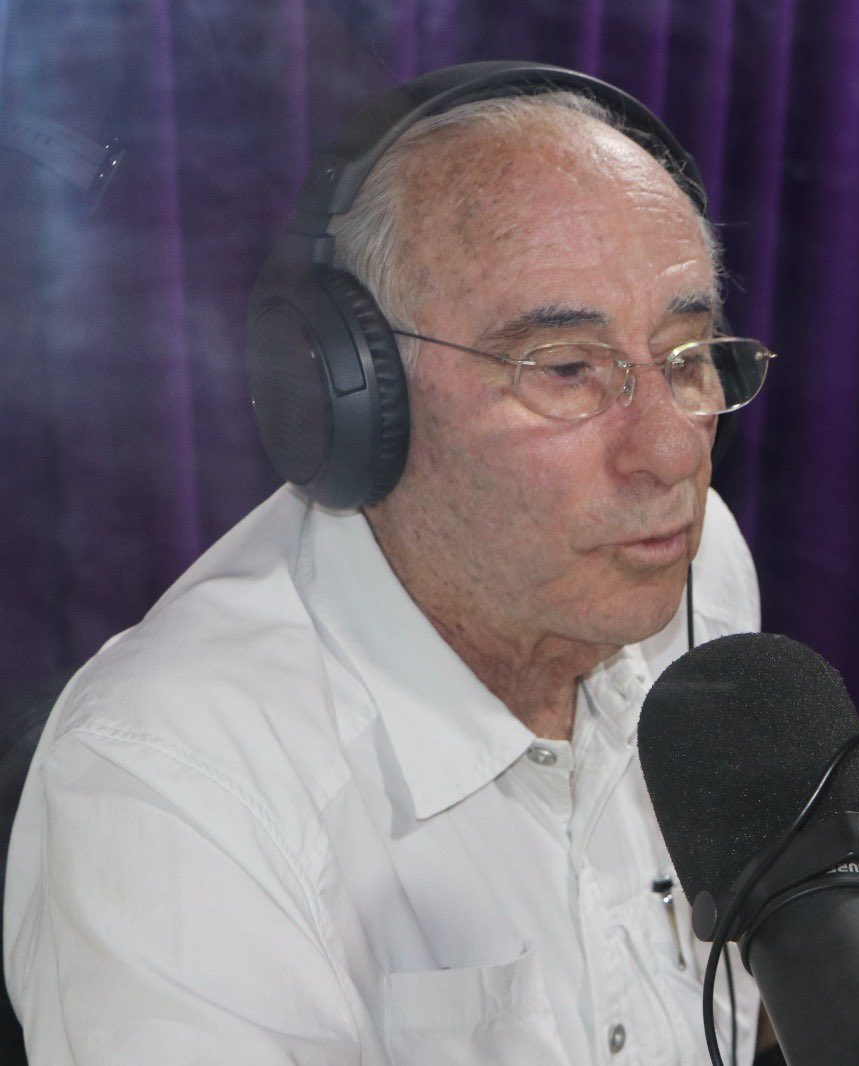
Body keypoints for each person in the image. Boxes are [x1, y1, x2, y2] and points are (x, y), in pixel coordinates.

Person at [3, 65, 775, 1065]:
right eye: (568, 371)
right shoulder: (175, 782)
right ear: (355, 394)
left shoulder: (693, 568)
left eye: (687, 356)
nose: (672, 455)